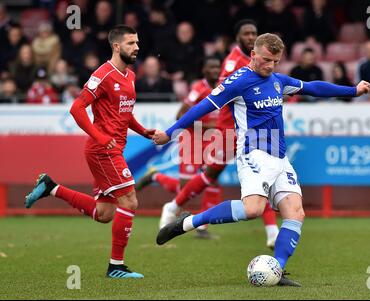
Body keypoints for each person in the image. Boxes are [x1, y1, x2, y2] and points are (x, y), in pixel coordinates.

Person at [151, 33, 370, 286]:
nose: (270, 66)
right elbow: (203, 107)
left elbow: (313, 87)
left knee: (296, 213)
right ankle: (189, 222)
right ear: (253, 54)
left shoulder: (278, 80)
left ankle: (276, 270)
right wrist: (169, 132)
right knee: (252, 209)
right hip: (253, 153)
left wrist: (352, 90)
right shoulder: (237, 82)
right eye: (266, 60)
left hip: (280, 158)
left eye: (276, 61)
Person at [139, 19, 281, 249]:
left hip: (248, 129)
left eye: (253, 33)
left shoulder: (257, 60)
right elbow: (223, 98)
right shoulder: (234, 62)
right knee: (210, 176)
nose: (250, 36)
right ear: (237, 38)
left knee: (252, 174)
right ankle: (174, 205)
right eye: (246, 33)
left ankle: (272, 232)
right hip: (231, 130)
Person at [24, 25, 152, 279]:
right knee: (129, 201)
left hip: (109, 149)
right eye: (131, 43)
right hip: (103, 150)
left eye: (137, 42)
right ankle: (116, 267)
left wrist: (144, 131)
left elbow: (124, 114)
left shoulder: (130, 76)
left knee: (104, 213)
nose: (136, 47)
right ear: (116, 46)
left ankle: (52, 188)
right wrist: (101, 137)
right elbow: (77, 108)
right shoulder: (103, 75)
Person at [135, 56, 222, 239]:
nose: (215, 70)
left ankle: (202, 228)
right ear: (204, 71)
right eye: (211, 67)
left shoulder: (223, 87)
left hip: (213, 142)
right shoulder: (198, 89)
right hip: (192, 141)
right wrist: (211, 127)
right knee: (186, 188)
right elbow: (180, 116)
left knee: (212, 182)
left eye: (217, 67)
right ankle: (156, 176)